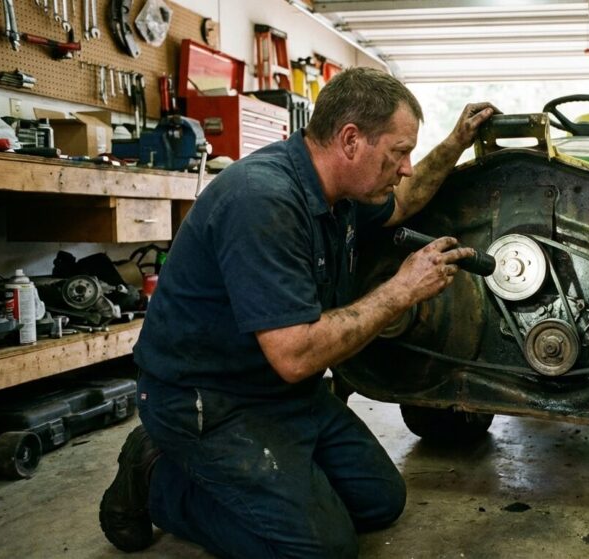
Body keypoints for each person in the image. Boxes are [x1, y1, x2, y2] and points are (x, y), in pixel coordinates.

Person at [99, 67, 496, 558]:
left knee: (380, 502)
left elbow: (404, 201)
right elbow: (295, 355)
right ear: (351, 140)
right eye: (399, 153)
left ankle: (280, 483)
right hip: (207, 400)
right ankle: (156, 474)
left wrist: (457, 141)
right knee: (321, 550)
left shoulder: (341, 194)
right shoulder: (262, 200)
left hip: (281, 392)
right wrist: (401, 291)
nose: (407, 167)